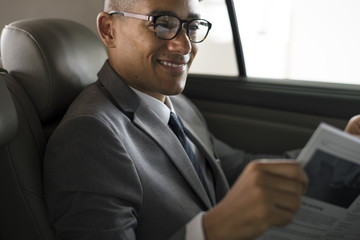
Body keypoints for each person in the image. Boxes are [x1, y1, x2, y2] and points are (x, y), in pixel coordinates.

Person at [43, 0, 310, 239]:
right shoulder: (89, 135)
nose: (184, 45)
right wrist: (212, 230)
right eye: (162, 24)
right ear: (109, 30)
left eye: (192, 26)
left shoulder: (177, 104)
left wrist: (334, 156)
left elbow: (234, 167)